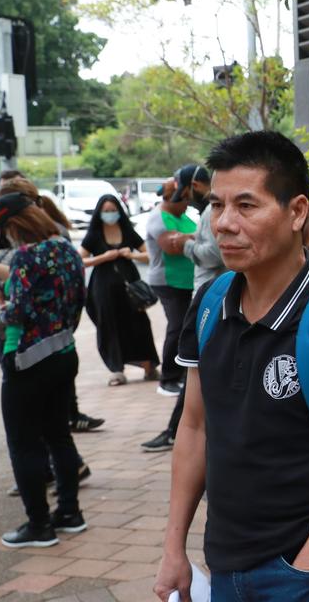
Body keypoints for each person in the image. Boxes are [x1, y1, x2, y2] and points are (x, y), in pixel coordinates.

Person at [154, 131, 309, 602]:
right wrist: (173, 547)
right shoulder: (209, 303)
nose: (223, 223)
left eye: (246, 206)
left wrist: (304, 571)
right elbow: (195, 428)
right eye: (217, 206)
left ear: (297, 212)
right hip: (224, 564)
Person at [0, 192, 88, 548]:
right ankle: (70, 513)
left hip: (26, 360)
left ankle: (39, 525)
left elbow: (18, 314)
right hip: (64, 351)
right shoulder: (65, 248)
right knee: (58, 435)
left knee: (24, 444)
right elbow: (79, 300)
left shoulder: (26, 257)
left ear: (15, 226)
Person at [140, 165, 222, 454]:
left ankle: (177, 430)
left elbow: (213, 254)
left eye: (187, 193)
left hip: (209, 294)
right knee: (197, 368)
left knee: (195, 366)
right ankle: (178, 429)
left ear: (197, 185)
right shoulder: (192, 214)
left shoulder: (211, 212)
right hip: (196, 291)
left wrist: (186, 245)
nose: (186, 199)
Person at [81, 194, 160, 386]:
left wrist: (131, 255)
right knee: (109, 326)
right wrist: (103, 257)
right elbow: (80, 260)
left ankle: (149, 367)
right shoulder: (94, 235)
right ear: (99, 213)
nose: (110, 214)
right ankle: (117, 370)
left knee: (140, 324)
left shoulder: (128, 231)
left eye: (113, 210)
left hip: (130, 287)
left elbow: (148, 255)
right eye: (106, 211)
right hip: (103, 288)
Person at [145, 180, 198, 397]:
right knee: (177, 327)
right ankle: (168, 379)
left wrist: (187, 237)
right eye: (184, 199)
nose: (188, 204)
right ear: (171, 198)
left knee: (185, 326)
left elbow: (185, 238)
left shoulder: (181, 216)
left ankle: (181, 373)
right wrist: (197, 237)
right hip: (168, 281)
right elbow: (172, 246)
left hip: (185, 281)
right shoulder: (159, 218)